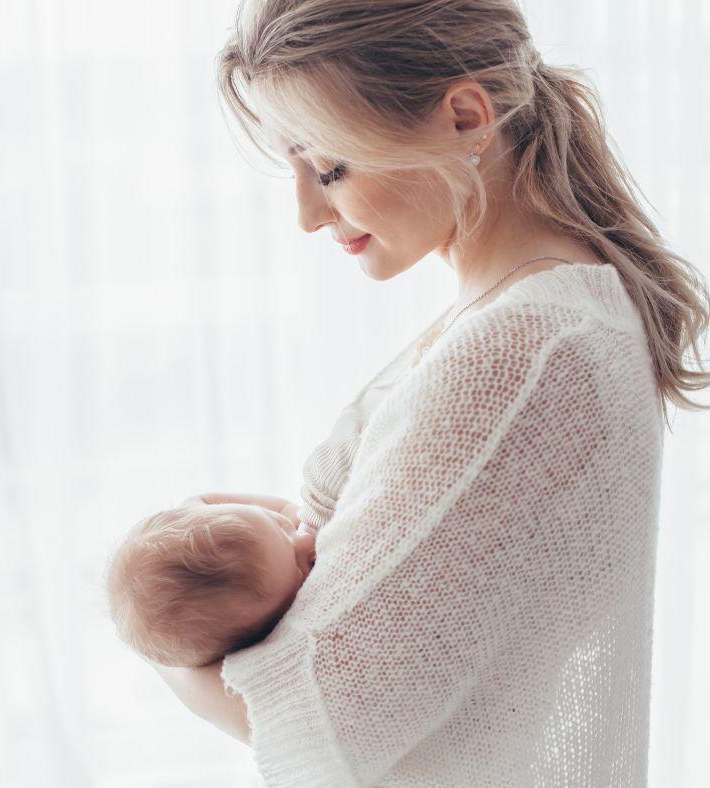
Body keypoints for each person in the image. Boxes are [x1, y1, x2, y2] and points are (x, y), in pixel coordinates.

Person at [142, 1, 710, 786]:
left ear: (466, 117)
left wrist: (159, 643)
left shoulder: (524, 350)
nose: (307, 216)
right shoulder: (536, 314)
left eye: (329, 168)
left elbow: (321, 719)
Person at [103, 492, 317, 668]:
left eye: (280, 524)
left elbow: (202, 502)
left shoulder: (206, 510)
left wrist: (290, 513)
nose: (307, 539)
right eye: (301, 568)